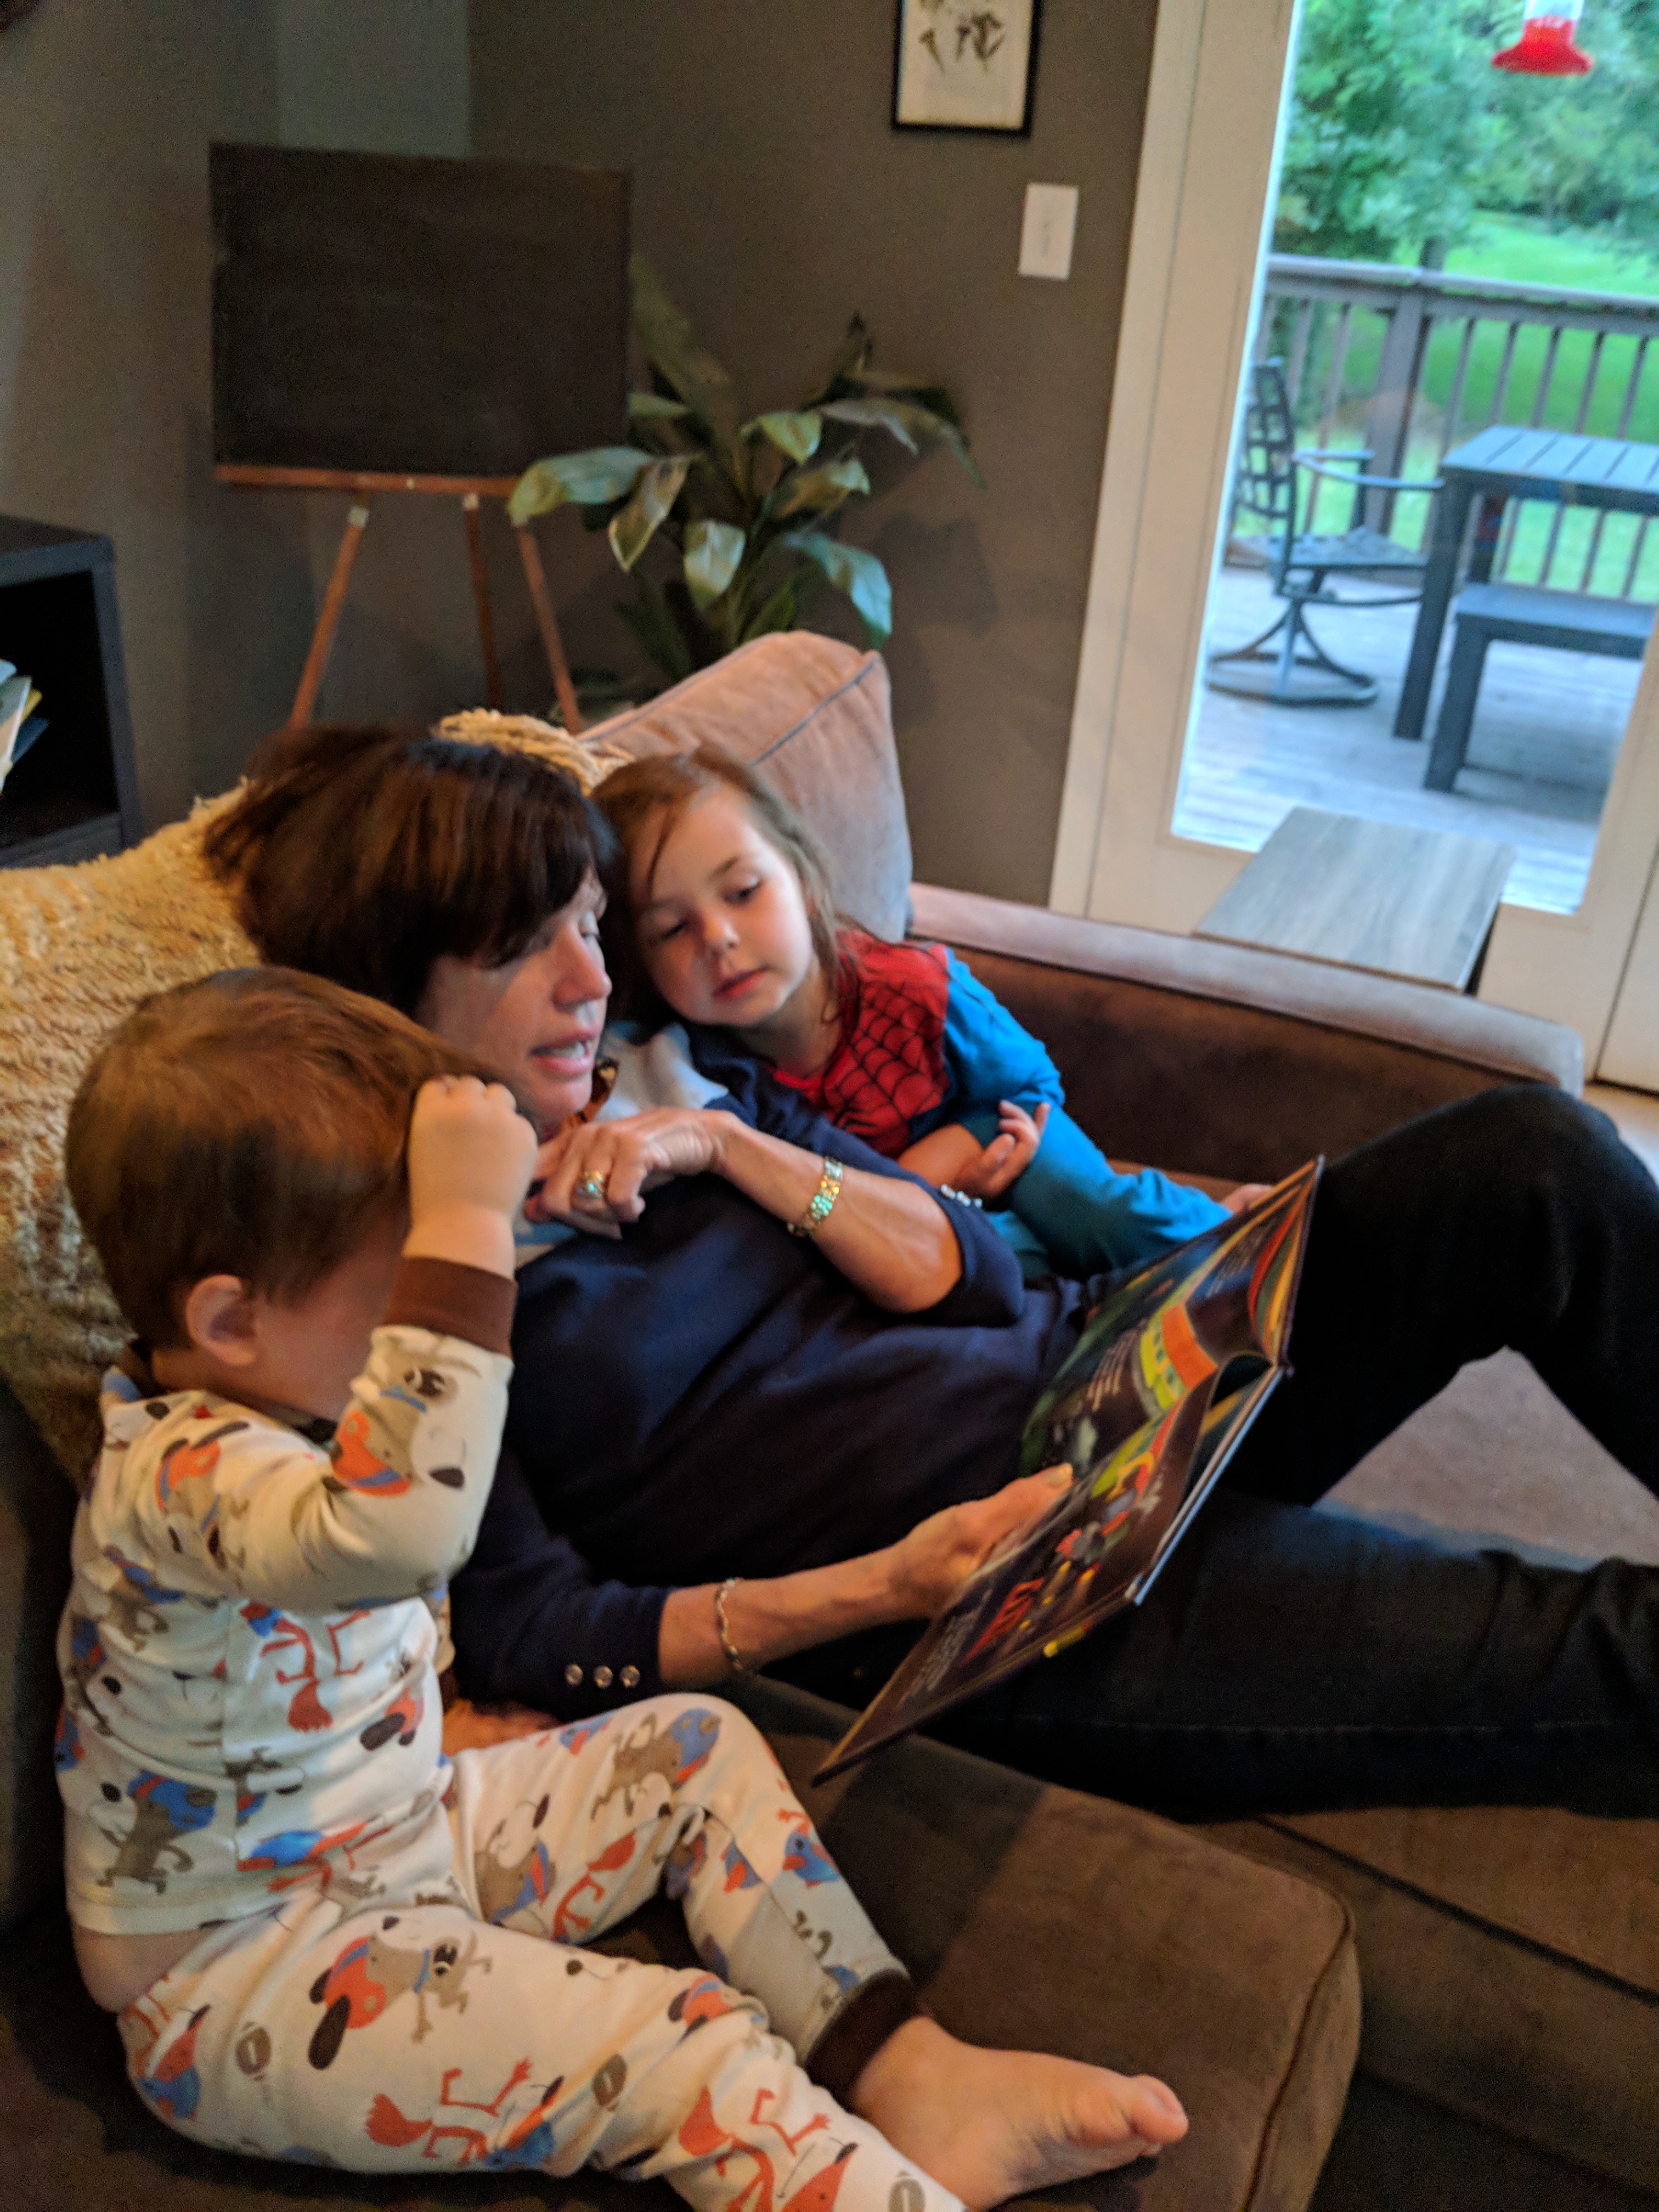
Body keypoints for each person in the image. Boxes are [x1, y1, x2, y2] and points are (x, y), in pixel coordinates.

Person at [203, 723, 1659, 1820]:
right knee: (1599, 1650)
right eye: (528, 950)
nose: (592, 981)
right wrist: (879, 1589)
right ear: (391, 993)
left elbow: (973, 1267)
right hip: (1010, 1591)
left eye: (589, 925)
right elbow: (527, 1632)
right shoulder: (412, 1287)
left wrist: (726, 1147)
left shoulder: (667, 1073)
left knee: (1536, 1159)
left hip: (1127, 1367)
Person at [56, 966, 1185, 2200]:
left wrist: (439, 1715)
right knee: (681, 2048)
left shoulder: (297, 1394)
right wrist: (464, 1231)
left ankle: (907, 2070)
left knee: (694, 1750)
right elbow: (402, 1534)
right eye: (398, 1294)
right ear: (229, 1321)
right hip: (244, 1971)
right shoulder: (179, 1471)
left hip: (396, 1831)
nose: (424, 1336)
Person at [592, 743, 1247, 1282]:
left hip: (1000, 1143)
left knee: (1095, 1213)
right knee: (1004, 1271)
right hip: (902, 1234)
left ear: (804, 882)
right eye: (672, 929)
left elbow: (1033, 1086)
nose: (717, 938)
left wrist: (946, 1158)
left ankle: (1242, 1232)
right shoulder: (685, 1069)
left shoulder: (915, 987)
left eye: (743, 891)